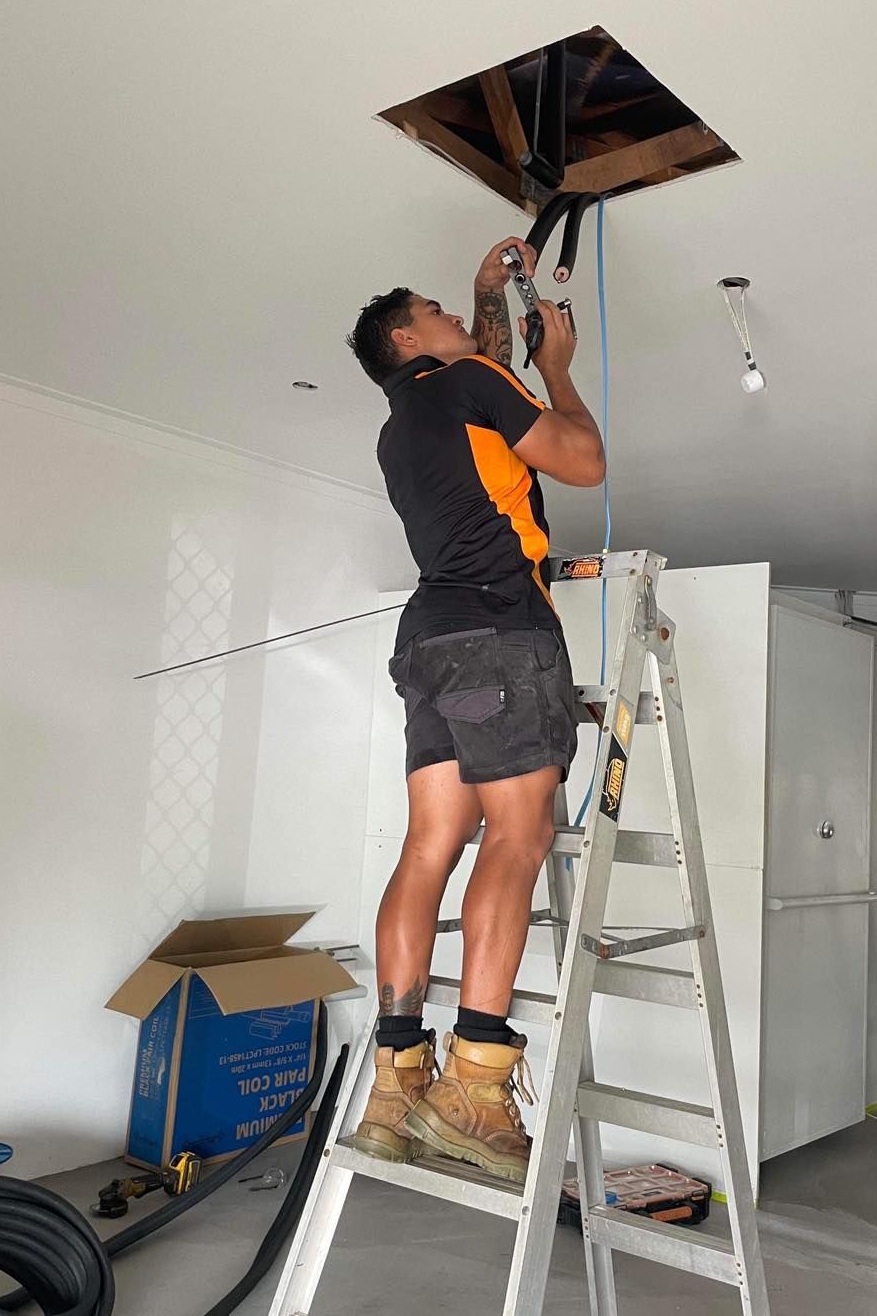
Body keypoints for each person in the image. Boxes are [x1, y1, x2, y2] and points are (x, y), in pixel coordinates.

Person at [344, 238, 605, 1184]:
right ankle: (476, 1090)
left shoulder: (402, 421)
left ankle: (394, 1085)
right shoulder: (473, 385)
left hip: (429, 640)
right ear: (409, 336)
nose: (457, 321)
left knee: (428, 848)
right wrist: (559, 371)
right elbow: (583, 462)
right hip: (499, 627)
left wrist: (487, 293)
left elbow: (477, 366)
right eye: (441, 312)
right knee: (516, 834)